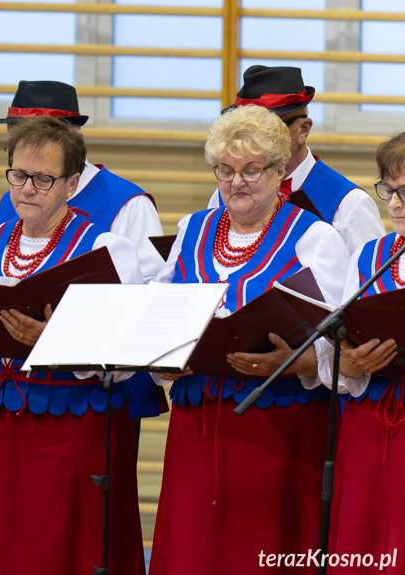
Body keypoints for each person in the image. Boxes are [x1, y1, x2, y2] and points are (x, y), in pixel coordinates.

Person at [0, 116, 146, 575]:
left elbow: (127, 355)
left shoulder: (105, 248)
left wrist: (52, 339)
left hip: (65, 428)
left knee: (53, 552)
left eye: (44, 179)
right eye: (19, 175)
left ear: (71, 183)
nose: (28, 188)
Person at [149, 105, 351, 575]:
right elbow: (158, 311)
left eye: (252, 170)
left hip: (279, 432)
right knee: (192, 553)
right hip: (196, 428)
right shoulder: (192, 229)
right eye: (225, 170)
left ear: (280, 171)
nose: (236, 182)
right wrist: (166, 355)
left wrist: (298, 362)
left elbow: (341, 335)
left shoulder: (315, 237)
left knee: (261, 554)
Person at [0, 80, 166, 421]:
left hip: (103, 393)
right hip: (17, 386)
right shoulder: (12, 197)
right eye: (21, 136)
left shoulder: (128, 203)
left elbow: (149, 300)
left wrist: (66, 333)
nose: (32, 145)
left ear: (75, 139)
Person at [317, 132, 405, 571]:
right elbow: (338, 343)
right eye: (387, 189)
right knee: (364, 544)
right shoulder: (370, 257)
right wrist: (347, 360)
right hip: (370, 422)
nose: (393, 204)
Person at [209, 65, 385, 253]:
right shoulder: (224, 196)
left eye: (272, 129)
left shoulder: (348, 203)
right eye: (245, 131)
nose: (256, 140)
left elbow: (374, 276)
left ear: (304, 129)